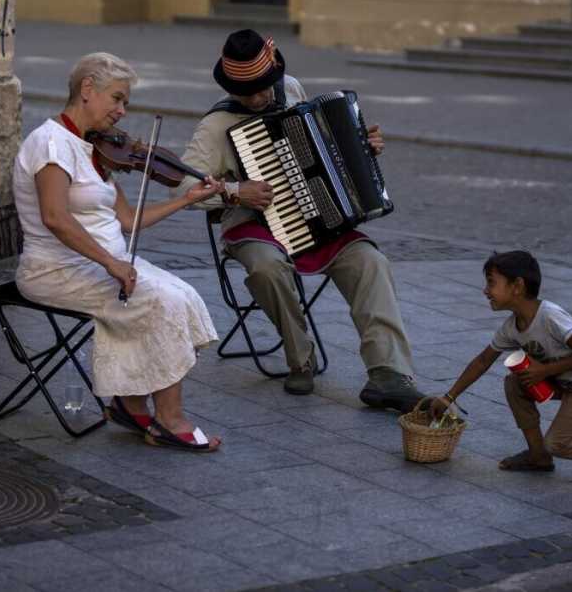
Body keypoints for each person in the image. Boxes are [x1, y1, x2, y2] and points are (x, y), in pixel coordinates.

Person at [174, 29, 427, 413]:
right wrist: (235, 191)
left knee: (370, 261)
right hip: (251, 223)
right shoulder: (216, 126)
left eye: (264, 86)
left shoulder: (290, 88)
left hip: (316, 217)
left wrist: (362, 145)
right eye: (249, 91)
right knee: (266, 268)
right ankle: (300, 357)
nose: (259, 97)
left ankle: (387, 374)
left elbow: (320, 146)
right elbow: (184, 189)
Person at [13, 52, 226, 452]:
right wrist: (111, 262)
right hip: (55, 269)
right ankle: (169, 419)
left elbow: (127, 221)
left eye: (125, 101)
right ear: (87, 89)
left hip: (101, 265)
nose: (122, 111)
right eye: (117, 98)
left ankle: (130, 404)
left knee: (183, 293)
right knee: (160, 301)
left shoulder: (93, 149)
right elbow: (55, 217)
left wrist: (187, 199)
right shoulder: (50, 143)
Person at [431, 251, 572, 493]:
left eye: (491, 282)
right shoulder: (511, 327)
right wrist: (449, 397)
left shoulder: (550, 315)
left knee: (557, 443)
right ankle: (538, 456)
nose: (485, 290)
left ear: (517, 286)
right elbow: (483, 361)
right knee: (514, 383)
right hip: (564, 382)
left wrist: (544, 370)